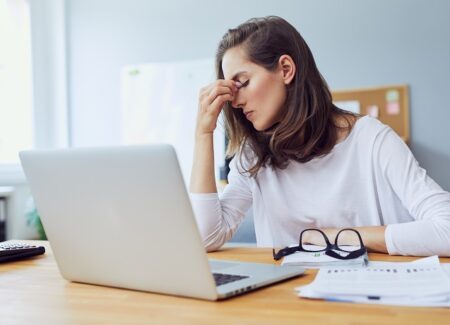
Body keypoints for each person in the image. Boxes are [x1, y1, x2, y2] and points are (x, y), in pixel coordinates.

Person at [189, 16, 450, 256]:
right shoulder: (253, 155)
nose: (235, 102)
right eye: (230, 90)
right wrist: (203, 133)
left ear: (286, 69)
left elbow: (446, 230)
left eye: (243, 83)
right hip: (288, 303)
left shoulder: (371, 140)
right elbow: (206, 238)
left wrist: (338, 237)